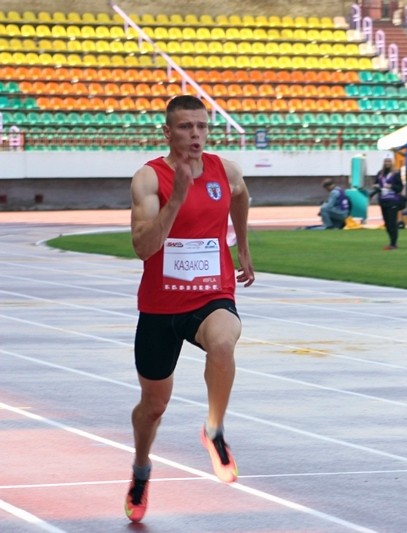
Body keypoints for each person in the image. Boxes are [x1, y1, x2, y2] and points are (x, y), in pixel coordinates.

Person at [125, 94, 255, 523]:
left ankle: (213, 428)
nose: (195, 134)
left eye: (201, 126)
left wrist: (243, 247)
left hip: (211, 294)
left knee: (224, 342)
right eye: (185, 127)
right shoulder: (149, 178)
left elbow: (241, 196)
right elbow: (143, 247)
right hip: (160, 306)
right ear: (168, 132)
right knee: (153, 407)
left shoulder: (224, 170)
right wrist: (177, 198)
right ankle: (141, 468)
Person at [370, 156, 405, 249]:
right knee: (387, 223)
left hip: (393, 200)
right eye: (386, 161)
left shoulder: (396, 174)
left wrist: (391, 186)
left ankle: (393, 243)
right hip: (383, 201)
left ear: (392, 163)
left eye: (389, 161)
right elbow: (376, 184)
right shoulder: (380, 174)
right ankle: (392, 241)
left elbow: (400, 188)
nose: (387, 163)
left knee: (392, 222)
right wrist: (375, 187)